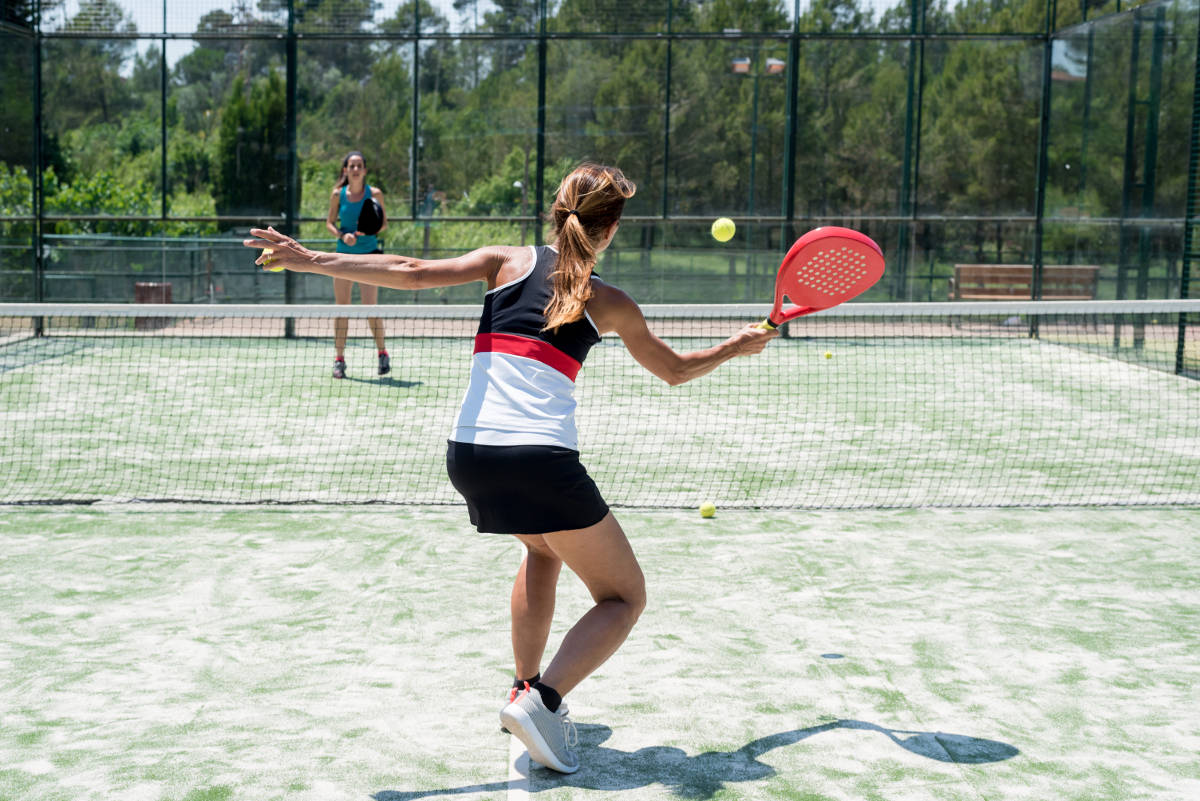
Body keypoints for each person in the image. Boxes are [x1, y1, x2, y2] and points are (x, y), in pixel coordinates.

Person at [246, 163, 778, 774]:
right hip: (538, 460)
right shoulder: (610, 302)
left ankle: (522, 686)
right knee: (624, 596)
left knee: (543, 551)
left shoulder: (506, 261)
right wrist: (737, 345)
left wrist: (308, 258)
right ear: (609, 232)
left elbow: (410, 271)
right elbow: (677, 371)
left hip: (469, 455)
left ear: (556, 213)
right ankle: (544, 701)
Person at [326, 150, 390, 379]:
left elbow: (383, 224)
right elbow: (330, 223)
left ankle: (382, 353)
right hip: (343, 258)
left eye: (359, 165)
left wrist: (366, 231)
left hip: (369, 258)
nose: (355, 169)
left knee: (369, 308)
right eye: (351, 166)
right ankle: (339, 360)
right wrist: (343, 236)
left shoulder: (375, 194)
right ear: (346, 170)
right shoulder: (337, 195)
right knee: (342, 310)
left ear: (364, 170)